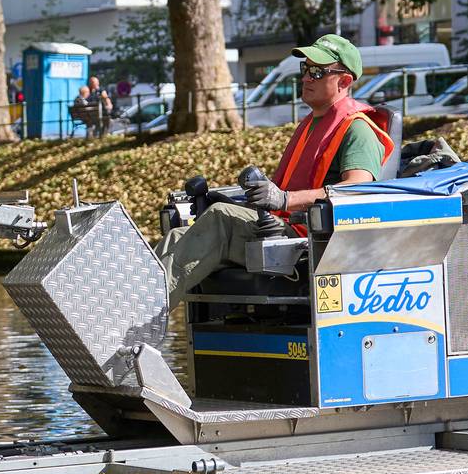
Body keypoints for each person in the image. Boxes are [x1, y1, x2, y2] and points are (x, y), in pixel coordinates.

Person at [160, 33, 398, 297]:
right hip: (283, 227)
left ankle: (138, 316)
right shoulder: (310, 125)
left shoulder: (358, 129)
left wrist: (285, 199)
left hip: (309, 241)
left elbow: (358, 188)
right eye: (305, 68)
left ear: (344, 81)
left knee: (220, 219)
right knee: (178, 235)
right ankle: (120, 314)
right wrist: (246, 199)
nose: (306, 77)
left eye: (318, 72)